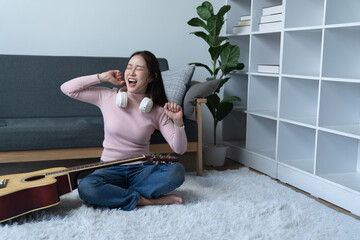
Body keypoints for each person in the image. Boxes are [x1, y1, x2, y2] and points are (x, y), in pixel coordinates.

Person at [60, 50, 187, 210]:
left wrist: (178, 122)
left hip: (142, 170)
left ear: (152, 77)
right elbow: (67, 88)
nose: (131, 72)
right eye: (129, 67)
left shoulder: (157, 110)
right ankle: (144, 200)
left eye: (139, 68)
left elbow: (179, 149)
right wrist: (102, 77)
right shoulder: (107, 97)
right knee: (87, 187)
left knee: (177, 171)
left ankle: (117, 196)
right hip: (108, 168)